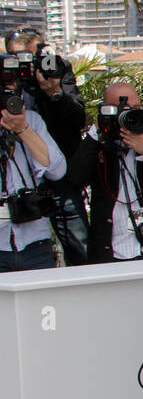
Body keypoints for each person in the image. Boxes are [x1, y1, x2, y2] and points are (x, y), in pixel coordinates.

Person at [67, 82, 143, 262]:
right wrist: (96, 134)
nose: (130, 114)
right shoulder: (98, 149)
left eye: (136, 108)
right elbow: (75, 180)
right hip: (113, 255)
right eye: (122, 109)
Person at [5, 28, 90, 265]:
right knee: (25, 247)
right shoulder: (9, 78)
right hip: (22, 177)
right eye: (19, 58)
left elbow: (78, 119)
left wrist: (54, 92)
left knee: (80, 245)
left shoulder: (56, 70)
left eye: (32, 56)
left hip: (60, 170)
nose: (28, 64)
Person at [0, 100, 64, 272]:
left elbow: (57, 171)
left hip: (35, 243)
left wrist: (23, 129)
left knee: (44, 299)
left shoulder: (31, 120)